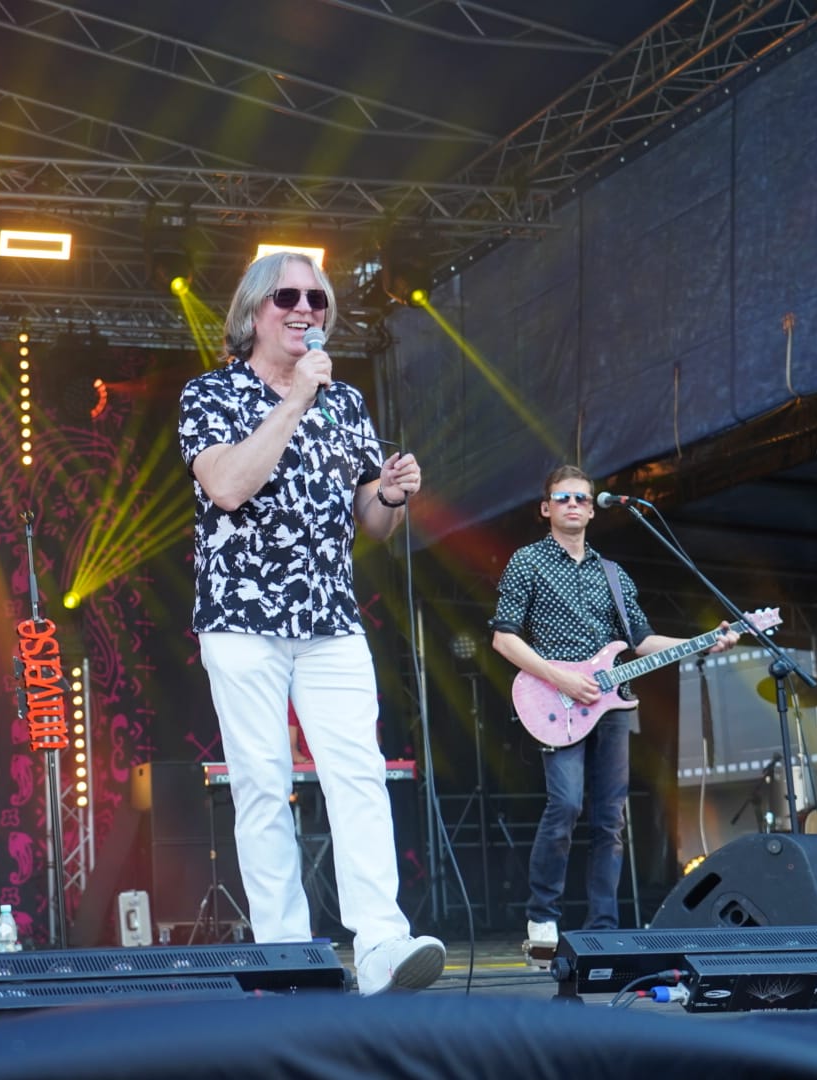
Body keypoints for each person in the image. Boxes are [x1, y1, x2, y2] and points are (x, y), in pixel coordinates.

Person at [178, 251, 445, 996]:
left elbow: (370, 523)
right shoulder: (212, 394)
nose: (306, 309)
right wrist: (293, 399)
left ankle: (382, 944)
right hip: (241, 617)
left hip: (329, 615)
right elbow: (228, 487)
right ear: (253, 312)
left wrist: (390, 495)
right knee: (263, 784)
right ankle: (287, 953)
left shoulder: (346, 403)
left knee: (358, 774)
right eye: (288, 297)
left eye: (318, 300)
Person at [490, 466, 739, 951]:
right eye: (563, 498)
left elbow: (641, 640)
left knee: (610, 818)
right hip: (558, 699)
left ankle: (603, 927)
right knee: (566, 804)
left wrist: (704, 642)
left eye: (582, 498)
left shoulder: (613, 573)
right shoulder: (528, 561)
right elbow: (503, 637)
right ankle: (542, 917)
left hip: (613, 704)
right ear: (545, 508)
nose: (573, 505)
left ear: (592, 509)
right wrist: (560, 676)